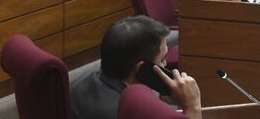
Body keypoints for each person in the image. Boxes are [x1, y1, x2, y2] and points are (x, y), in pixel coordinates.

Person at [70, 15, 201, 119]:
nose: (165, 64)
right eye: (162, 60)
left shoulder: (78, 85)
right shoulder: (130, 113)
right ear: (142, 69)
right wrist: (192, 106)